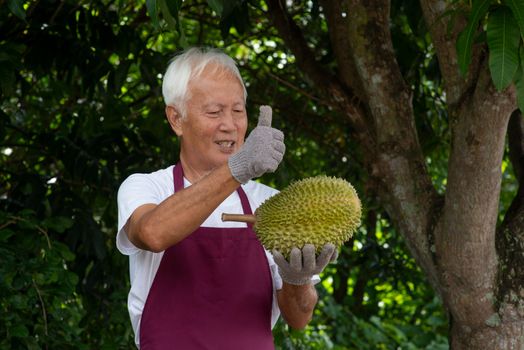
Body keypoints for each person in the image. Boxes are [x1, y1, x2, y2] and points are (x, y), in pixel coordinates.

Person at [116, 47, 337, 349]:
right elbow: (152, 233)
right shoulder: (146, 188)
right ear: (176, 119)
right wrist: (238, 168)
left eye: (237, 111)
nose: (230, 125)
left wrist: (296, 279)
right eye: (214, 111)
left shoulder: (271, 204)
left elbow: (299, 320)